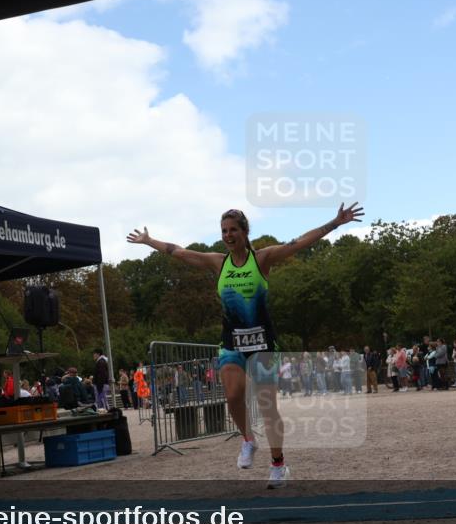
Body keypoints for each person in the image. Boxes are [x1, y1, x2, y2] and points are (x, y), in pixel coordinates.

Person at [127, 202, 364, 488]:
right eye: (224, 230)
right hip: (232, 344)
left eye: (233, 230)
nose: (228, 235)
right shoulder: (217, 262)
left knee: (267, 407)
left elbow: (300, 242)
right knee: (233, 395)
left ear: (245, 231)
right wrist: (149, 240)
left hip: (262, 344)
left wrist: (335, 223)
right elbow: (178, 252)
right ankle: (249, 440)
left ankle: (279, 464)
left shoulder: (262, 259)